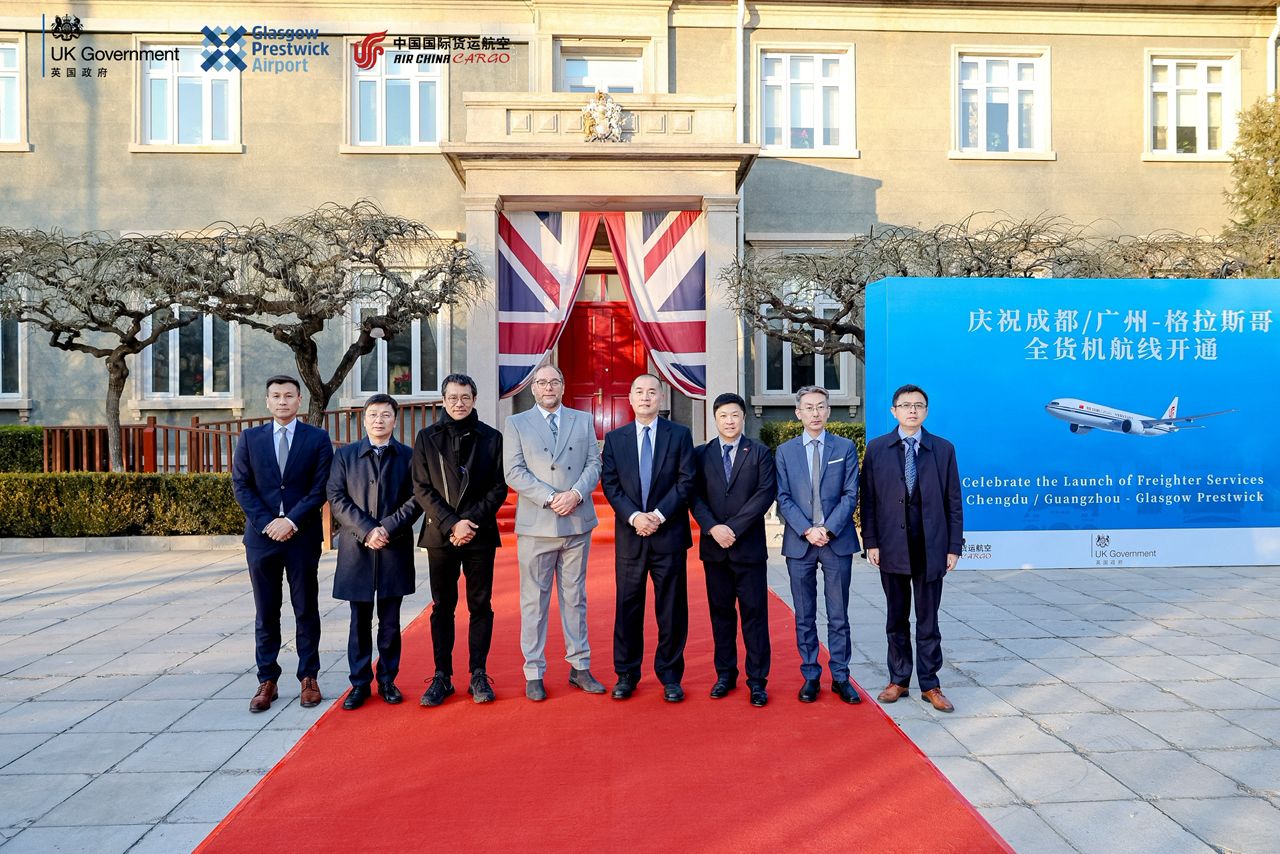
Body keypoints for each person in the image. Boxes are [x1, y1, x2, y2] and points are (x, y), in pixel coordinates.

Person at [502, 364, 605, 701]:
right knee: (534, 600)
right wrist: (550, 497)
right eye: (542, 382)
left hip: (577, 520)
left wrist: (575, 494)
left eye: (554, 382)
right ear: (533, 388)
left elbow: (594, 463)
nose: (548, 387)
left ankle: (580, 666)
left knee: (575, 598)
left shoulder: (583, 420)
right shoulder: (517, 423)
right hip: (537, 523)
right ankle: (533, 670)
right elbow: (513, 470)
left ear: (563, 386)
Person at [232, 375, 334, 713]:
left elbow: (320, 487)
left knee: (306, 608)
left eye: (289, 395)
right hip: (261, 539)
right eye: (276, 396)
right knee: (266, 610)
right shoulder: (250, 438)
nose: (282, 401)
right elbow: (241, 485)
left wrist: (290, 521)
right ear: (267, 401)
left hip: (301, 536)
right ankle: (267, 679)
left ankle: (309, 677)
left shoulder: (317, 438)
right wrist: (267, 523)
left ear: (299, 400)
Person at [860, 384, 963, 713]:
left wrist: (953, 546)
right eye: (905, 405)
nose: (912, 410)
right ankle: (899, 679)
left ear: (926, 411)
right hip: (891, 546)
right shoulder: (877, 449)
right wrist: (871, 542)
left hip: (931, 547)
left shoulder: (943, 449)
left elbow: (954, 502)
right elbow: (868, 501)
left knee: (928, 620)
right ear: (894, 411)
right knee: (896, 617)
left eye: (918, 405)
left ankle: (930, 683)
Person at [412, 373, 508, 706]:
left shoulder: (492, 437)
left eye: (465, 397)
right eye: (452, 397)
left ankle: (478, 673)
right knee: (443, 606)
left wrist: (469, 523)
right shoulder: (426, 437)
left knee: (480, 605)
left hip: (479, 534)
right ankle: (442, 676)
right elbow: (421, 487)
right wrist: (453, 524)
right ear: (443, 400)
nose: (459, 403)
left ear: (474, 399)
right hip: (441, 534)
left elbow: (499, 487)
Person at [601, 373, 695, 703]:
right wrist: (634, 517)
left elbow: (686, 481)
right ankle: (626, 673)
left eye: (652, 392)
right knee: (627, 606)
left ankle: (670, 675)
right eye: (639, 391)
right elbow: (610, 484)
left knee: (671, 608)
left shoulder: (679, 435)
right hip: (631, 536)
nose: (645, 397)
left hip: (668, 535)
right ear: (630, 398)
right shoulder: (615, 439)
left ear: (661, 398)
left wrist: (657, 515)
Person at [327, 394, 422, 710]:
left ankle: (387, 680)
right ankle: (359, 683)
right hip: (357, 548)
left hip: (394, 547)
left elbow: (416, 498)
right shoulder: (346, 456)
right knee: (359, 620)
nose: (379, 420)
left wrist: (388, 528)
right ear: (364, 419)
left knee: (391, 621)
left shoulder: (408, 456)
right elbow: (336, 497)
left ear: (395, 419)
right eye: (373, 415)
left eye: (385, 415)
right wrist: (367, 529)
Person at [775, 385, 862, 705]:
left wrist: (827, 528)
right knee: (804, 613)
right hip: (800, 543)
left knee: (838, 614)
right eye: (809, 408)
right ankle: (810, 674)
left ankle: (840, 676)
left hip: (836, 541)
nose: (815, 413)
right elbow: (782, 497)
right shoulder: (785, 451)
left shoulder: (845, 447)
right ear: (798, 413)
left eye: (821, 407)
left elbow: (850, 494)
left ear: (828, 411)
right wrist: (807, 530)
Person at [690, 392, 777, 707]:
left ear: (744, 418)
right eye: (723, 415)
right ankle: (725, 674)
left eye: (735, 415)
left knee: (755, 615)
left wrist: (734, 528)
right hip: (715, 549)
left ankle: (757, 681)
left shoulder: (759, 452)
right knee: (721, 614)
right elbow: (694, 495)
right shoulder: (701, 454)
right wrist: (713, 528)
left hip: (748, 548)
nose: (729, 421)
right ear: (715, 419)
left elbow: (765, 493)